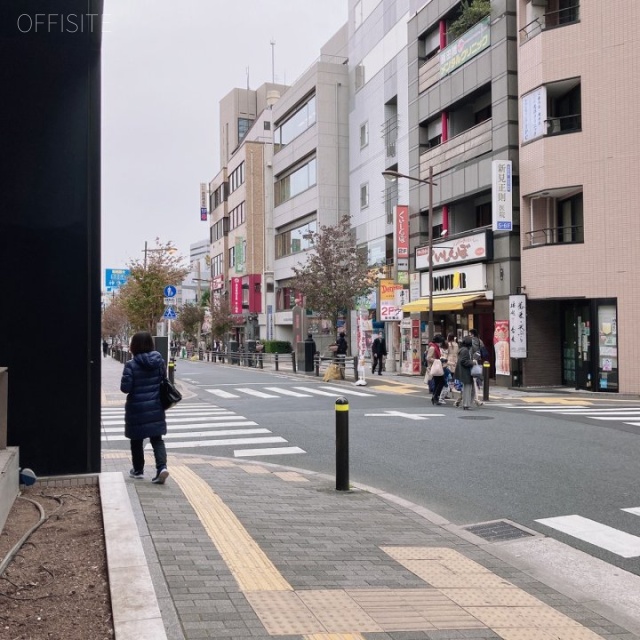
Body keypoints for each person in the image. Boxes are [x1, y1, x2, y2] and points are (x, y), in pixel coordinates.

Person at [120, 331, 170, 484]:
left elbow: (125, 388)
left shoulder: (131, 365)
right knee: (157, 439)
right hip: (155, 405)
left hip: (137, 407)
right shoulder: (159, 362)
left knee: (136, 439)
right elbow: (164, 380)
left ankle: (138, 470)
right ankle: (162, 467)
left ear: (133, 346)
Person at [454, 336, 477, 410]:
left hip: (463, 371)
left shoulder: (462, 349)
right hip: (465, 372)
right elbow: (463, 361)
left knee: (469, 388)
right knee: (467, 389)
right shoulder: (465, 351)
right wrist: (472, 362)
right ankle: (466, 405)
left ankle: (467, 403)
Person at [426, 335, 446, 406]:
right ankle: (435, 397)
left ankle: (434, 397)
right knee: (441, 382)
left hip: (437, 367)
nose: (440, 343)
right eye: (440, 342)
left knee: (438, 383)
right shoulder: (432, 347)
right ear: (438, 341)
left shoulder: (436, 347)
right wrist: (437, 360)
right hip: (435, 367)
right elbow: (428, 358)